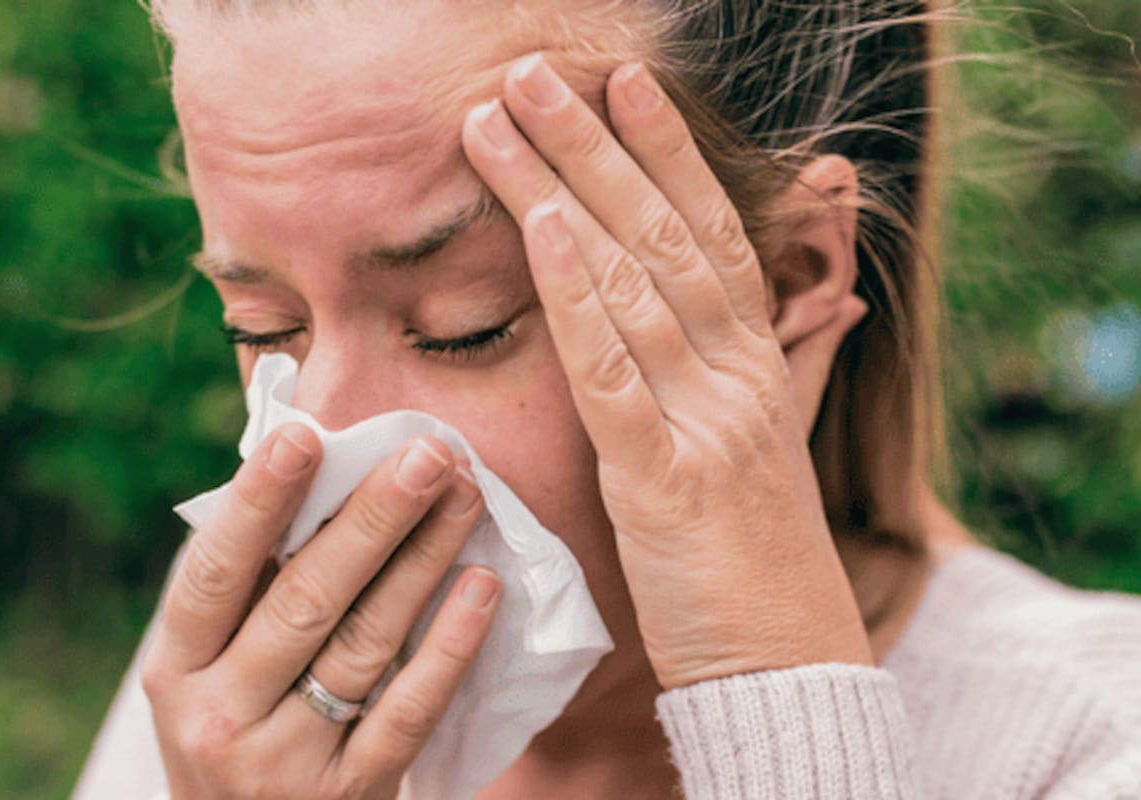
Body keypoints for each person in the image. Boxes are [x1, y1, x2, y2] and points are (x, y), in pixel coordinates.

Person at [74, 0, 1141, 797]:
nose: (317, 446)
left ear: (785, 281)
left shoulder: (1086, 740)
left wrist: (771, 690)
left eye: (464, 324)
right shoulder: (254, 672)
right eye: (262, 328)